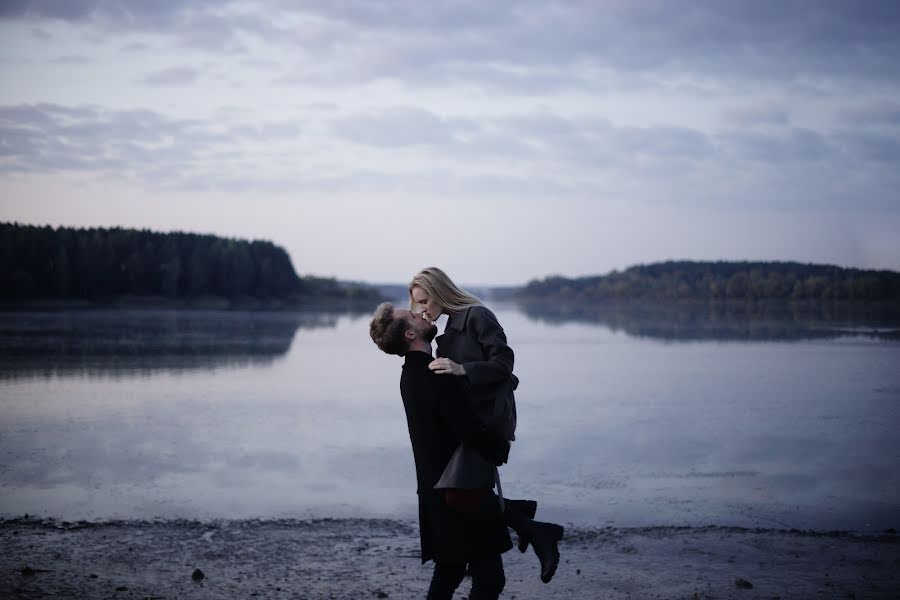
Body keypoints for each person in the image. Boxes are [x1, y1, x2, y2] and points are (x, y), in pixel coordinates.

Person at [370, 303, 562, 598]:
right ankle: (529, 524)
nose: (419, 312)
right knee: (487, 580)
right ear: (410, 333)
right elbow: (468, 429)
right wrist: (499, 448)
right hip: (457, 495)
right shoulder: (434, 375)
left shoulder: (410, 375)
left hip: (440, 493)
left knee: (450, 573)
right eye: (411, 315)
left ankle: (527, 522)